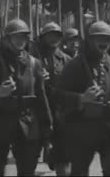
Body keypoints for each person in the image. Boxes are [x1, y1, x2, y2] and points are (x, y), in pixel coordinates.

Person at [55, 21, 110, 176]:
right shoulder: (74, 65)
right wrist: (81, 98)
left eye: (107, 39)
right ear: (89, 40)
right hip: (82, 129)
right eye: (98, 38)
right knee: (79, 171)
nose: (104, 42)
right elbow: (57, 95)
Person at [0, 19, 53, 176]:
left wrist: (48, 128)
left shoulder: (34, 63)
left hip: (28, 122)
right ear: (6, 40)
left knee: (27, 170)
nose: (20, 41)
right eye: (16, 37)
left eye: (23, 37)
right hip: (0, 122)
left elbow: (41, 98)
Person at [34, 22, 72, 176]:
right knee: (29, 155)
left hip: (59, 112)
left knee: (63, 155)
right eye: (49, 35)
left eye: (56, 35)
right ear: (42, 38)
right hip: (37, 111)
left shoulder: (66, 60)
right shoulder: (32, 59)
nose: (53, 38)